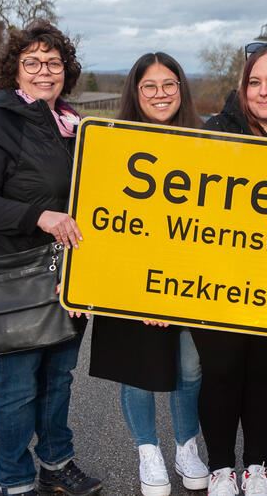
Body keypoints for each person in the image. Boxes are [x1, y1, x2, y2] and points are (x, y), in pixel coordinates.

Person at [0, 20, 102, 496]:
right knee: (16, 386)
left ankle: (56, 465)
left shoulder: (72, 125)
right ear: (15, 71)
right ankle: (15, 480)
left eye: (54, 62)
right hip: (15, 275)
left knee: (58, 377)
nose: (44, 71)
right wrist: (39, 216)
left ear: (66, 70)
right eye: (33, 62)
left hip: (68, 273)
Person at [88, 53, 210, 496]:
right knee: (136, 369)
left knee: (191, 367)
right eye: (150, 86)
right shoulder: (111, 141)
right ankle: (148, 452)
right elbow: (101, 218)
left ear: (182, 88)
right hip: (129, 280)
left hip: (189, 282)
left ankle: (186, 446)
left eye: (169, 84)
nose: (160, 94)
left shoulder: (206, 143)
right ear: (135, 93)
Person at [195, 41, 267, 496]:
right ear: (242, 88)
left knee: (264, 374)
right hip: (215, 280)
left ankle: (257, 466)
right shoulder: (212, 134)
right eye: (254, 82)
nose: (264, 92)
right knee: (220, 372)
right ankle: (221, 467)